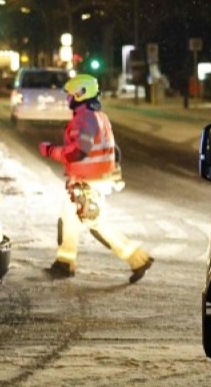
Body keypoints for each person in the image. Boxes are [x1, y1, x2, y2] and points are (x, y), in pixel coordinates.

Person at [38, 74, 153, 283]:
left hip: (88, 182)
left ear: (80, 94)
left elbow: (78, 151)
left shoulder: (85, 119)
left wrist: (50, 150)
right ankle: (64, 263)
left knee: (97, 224)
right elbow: (114, 150)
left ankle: (138, 259)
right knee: (69, 219)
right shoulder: (99, 116)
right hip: (90, 180)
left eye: (71, 95)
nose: (68, 99)